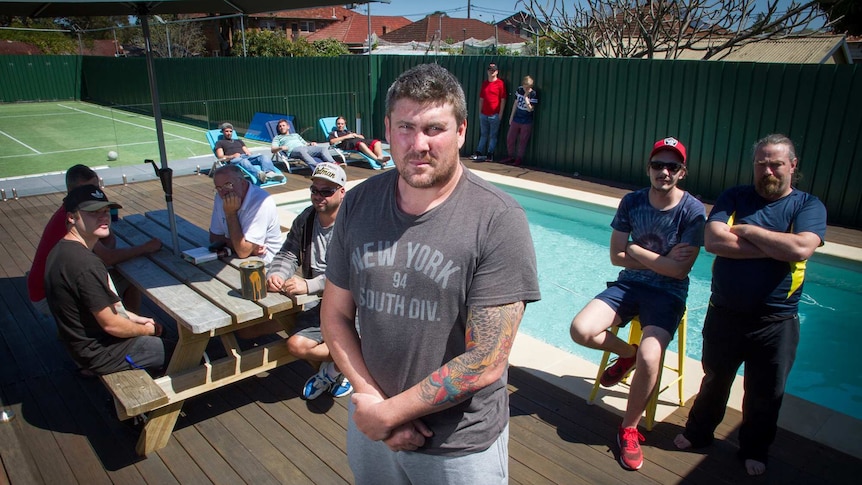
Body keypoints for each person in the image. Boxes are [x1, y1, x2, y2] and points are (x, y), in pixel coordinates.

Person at [321, 63, 541, 484]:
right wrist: (371, 400)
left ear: (461, 131)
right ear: (387, 129)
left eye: (434, 129)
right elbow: (335, 315)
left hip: (460, 447)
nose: (418, 144)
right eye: (405, 127)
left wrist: (390, 413)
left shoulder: (498, 220)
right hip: (371, 423)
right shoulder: (358, 204)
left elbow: (486, 361)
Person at [674, 134, 827, 477]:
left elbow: (802, 248)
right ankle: (698, 432)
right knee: (714, 380)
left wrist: (745, 231)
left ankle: (754, 449)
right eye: (761, 164)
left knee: (766, 393)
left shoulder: (807, 206)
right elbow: (713, 240)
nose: (768, 171)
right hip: (725, 313)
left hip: (776, 321)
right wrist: (777, 247)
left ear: (792, 165)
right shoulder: (735, 196)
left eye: (775, 163)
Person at [569, 137, 706, 471]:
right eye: (658, 165)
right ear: (648, 168)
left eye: (672, 166)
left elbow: (679, 270)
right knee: (580, 330)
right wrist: (660, 259)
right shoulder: (631, 202)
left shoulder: (692, 211)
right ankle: (626, 354)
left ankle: (628, 428)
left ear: (682, 172)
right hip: (629, 286)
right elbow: (616, 257)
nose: (664, 171)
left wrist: (637, 251)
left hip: (668, 293)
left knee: (650, 355)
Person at [44, 184, 175, 375]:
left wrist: (138, 319)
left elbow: (105, 309)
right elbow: (111, 324)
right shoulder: (85, 264)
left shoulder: (62, 250)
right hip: (101, 353)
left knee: (163, 333)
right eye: (93, 212)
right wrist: (148, 331)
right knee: (184, 353)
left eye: (106, 211)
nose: (103, 217)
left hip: (83, 343)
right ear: (71, 217)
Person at [266, 162, 352, 400]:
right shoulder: (306, 218)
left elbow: (353, 270)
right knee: (295, 346)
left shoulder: (355, 223)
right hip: (320, 302)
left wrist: (310, 285)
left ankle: (344, 367)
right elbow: (288, 253)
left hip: (355, 303)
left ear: (342, 191)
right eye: (315, 190)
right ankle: (347, 362)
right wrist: (278, 273)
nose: (318, 196)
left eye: (326, 191)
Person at [28, 164, 161, 316]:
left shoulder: (73, 210)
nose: (94, 193)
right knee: (131, 277)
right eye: (87, 189)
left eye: (97, 188)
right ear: (72, 191)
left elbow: (109, 243)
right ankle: (130, 327)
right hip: (48, 296)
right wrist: (144, 248)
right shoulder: (74, 219)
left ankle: (131, 322)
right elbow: (108, 257)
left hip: (52, 287)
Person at [209, 164, 284, 266]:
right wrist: (247, 248)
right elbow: (214, 238)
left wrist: (230, 213)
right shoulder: (220, 197)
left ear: (243, 183)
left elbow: (243, 252)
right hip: (237, 257)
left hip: (267, 263)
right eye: (219, 188)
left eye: (228, 185)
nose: (223, 193)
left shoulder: (261, 202)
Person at [215, 122, 285, 184]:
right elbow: (220, 157)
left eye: (230, 131)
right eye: (226, 131)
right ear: (223, 132)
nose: (229, 133)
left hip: (245, 157)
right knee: (243, 161)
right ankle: (259, 175)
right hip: (234, 159)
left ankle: (270, 173)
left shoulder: (238, 141)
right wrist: (233, 156)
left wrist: (249, 153)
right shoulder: (220, 143)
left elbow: (247, 151)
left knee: (263, 156)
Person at [470, 62, 506, 162]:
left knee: (493, 135)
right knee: (484, 134)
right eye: (490, 70)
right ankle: (479, 152)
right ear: (487, 71)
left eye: (493, 70)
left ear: (497, 72)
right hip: (484, 114)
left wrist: (500, 114)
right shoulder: (485, 84)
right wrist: (480, 112)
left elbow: (503, 99)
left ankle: (490, 153)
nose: (491, 72)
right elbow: (481, 98)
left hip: (495, 115)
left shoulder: (500, 84)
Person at [499, 75, 538, 167]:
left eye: (527, 87)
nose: (525, 88)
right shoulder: (519, 90)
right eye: (525, 86)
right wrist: (511, 117)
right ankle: (510, 156)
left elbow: (530, 109)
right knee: (510, 138)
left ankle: (519, 158)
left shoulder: (533, 94)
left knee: (522, 140)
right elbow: (515, 104)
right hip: (517, 118)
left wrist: (526, 99)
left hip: (527, 120)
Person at [270, 118, 337, 170]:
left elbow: (305, 143)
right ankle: (316, 166)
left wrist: (311, 144)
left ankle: (334, 163)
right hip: (293, 151)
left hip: (305, 148)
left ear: (288, 127)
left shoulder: (295, 135)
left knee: (323, 149)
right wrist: (280, 148)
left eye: (283, 125)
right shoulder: (278, 137)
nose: (282, 127)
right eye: (280, 126)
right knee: (301, 150)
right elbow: (273, 150)